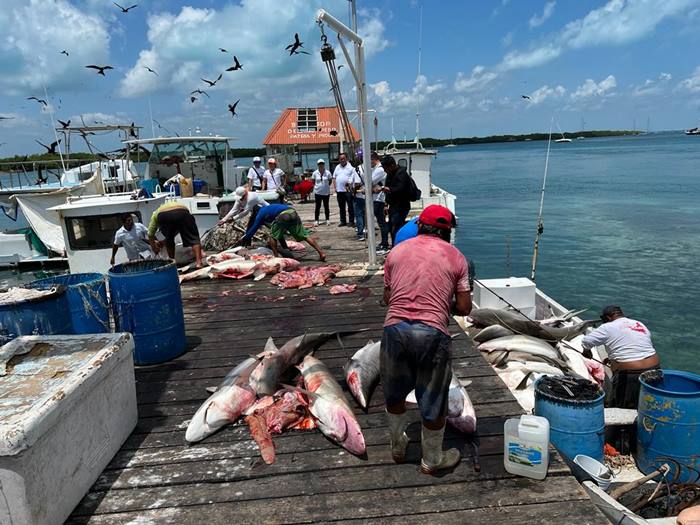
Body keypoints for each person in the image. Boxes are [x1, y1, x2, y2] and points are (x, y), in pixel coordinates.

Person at [380, 205, 472, 475]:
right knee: (433, 399)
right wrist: (444, 304)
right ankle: (432, 460)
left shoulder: (396, 252)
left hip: (395, 330)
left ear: (420, 225)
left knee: (394, 394)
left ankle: (397, 447)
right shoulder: (456, 257)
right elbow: (465, 308)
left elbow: (388, 298)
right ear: (446, 233)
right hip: (432, 334)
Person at [582, 306, 660, 409]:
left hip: (630, 374)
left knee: (621, 407)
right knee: (649, 403)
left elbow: (586, 341)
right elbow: (635, 346)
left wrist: (587, 351)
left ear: (607, 318)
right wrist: (611, 359)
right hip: (655, 368)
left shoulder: (607, 327)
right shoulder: (638, 323)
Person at [240, 203, 326, 260]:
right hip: (292, 212)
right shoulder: (268, 208)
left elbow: (254, 228)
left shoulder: (260, 214)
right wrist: (285, 246)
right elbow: (278, 231)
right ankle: (321, 253)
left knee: (272, 236)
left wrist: (246, 237)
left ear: (255, 212)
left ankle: (276, 258)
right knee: (305, 235)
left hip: (283, 215)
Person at [148, 201, 204, 268]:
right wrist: (163, 242)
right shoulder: (175, 205)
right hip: (183, 211)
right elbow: (177, 230)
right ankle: (199, 263)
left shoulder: (155, 214)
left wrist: (154, 248)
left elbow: (150, 234)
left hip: (164, 215)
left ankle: (172, 264)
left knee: (169, 241)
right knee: (194, 238)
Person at [380, 155, 413, 246]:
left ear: (391, 165)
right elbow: (389, 191)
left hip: (402, 205)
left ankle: (398, 246)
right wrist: (386, 204)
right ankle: (395, 246)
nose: (384, 170)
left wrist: (386, 189)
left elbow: (401, 189)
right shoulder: (390, 174)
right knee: (391, 227)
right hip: (393, 205)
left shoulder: (401, 173)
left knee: (396, 227)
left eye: (385, 168)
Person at [370, 151, 390, 253]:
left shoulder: (380, 170)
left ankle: (385, 244)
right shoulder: (376, 169)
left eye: (370, 160)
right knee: (380, 222)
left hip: (379, 199)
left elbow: (370, 181)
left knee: (382, 223)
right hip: (376, 198)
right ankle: (383, 242)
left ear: (373, 158)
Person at [332, 152, 355, 227]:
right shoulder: (337, 167)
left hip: (348, 191)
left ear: (346, 159)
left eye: (343, 158)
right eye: (340, 159)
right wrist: (335, 187)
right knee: (341, 207)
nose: (342, 160)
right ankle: (343, 221)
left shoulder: (351, 167)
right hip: (339, 191)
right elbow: (334, 177)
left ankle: (351, 221)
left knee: (350, 207)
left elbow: (353, 178)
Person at [350, 151, 366, 241]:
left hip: (359, 195)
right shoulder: (368, 168)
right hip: (367, 195)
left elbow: (357, 183)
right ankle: (364, 229)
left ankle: (360, 233)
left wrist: (353, 192)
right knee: (364, 214)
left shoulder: (358, 169)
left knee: (359, 214)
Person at [312, 159, 332, 225]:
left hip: (326, 193)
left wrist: (325, 186)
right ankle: (316, 220)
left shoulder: (328, 172)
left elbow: (330, 181)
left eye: (322, 164)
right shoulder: (315, 173)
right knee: (317, 206)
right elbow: (313, 182)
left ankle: (327, 219)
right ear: (318, 165)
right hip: (318, 192)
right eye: (319, 164)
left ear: (324, 164)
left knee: (326, 206)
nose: (321, 165)